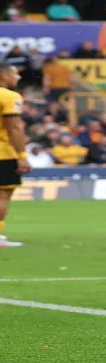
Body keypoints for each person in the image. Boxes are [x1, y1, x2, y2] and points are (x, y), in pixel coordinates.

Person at [0, 63, 29, 248]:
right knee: (2, 194)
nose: (18, 78)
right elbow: (14, 128)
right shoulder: (9, 96)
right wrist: (22, 155)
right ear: (3, 76)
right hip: (3, 153)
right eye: (15, 74)